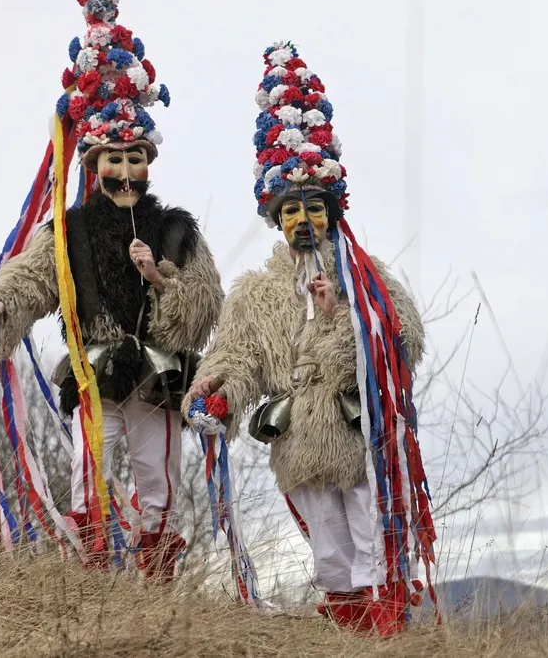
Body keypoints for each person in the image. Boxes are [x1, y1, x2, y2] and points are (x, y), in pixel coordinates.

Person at [0, 0, 223, 581]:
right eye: (114, 158)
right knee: (92, 463)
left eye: (136, 158)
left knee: (157, 474)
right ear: (94, 164)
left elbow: (206, 302)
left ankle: (156, 578)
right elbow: (32, 278)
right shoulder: (69, 230)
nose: (126, 171)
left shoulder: (174, 228)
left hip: (159, 374)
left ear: (148, 163)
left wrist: (160, 281)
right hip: (94, 369)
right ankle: (93, 574)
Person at [184, 41, 437, 634]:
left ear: (332, 210)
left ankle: (385, 629)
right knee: (328, 544)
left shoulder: (366, 278)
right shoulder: (258, 292)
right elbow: (237, 353)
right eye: (289, 209)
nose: (302, 220)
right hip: (297, 442)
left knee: (372, 526)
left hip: (359, 433)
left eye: (312, 208)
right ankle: (346, 629)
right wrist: (216, 392)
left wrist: (338, 323)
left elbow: (406, 340)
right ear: (275, 217)